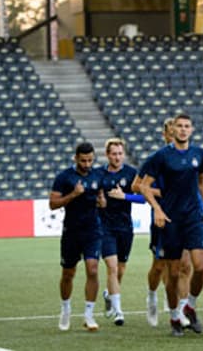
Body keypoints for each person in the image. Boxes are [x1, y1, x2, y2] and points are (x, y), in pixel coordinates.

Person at [138, 113, 203, 337]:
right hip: (170, 220)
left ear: (192, 130)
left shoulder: (199, 154)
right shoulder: (161, 156)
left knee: (199, 267)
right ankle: (174, 318)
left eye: (187, 126)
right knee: (173, 272)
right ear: (173, 130)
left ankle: (189, 306)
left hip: (193, 218)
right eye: (179, 126)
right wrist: (158, 209)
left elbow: (201, 181)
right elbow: (143, 185)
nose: (183, 129)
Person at [134, 118, 194, 328]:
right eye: (171, 132)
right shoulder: (156, 159)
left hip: (185, 218)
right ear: (166, 135)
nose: (175, 135)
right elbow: (137, 186)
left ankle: (179, 308)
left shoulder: (187, 157)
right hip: (162, 220)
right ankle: (151, 297)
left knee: (184, 265)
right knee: (160, 267)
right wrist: (164, 193)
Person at [50, 142, 106, 332]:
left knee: (93, 269)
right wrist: (73, 194)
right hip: (71, 232)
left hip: (93, 230)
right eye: (83, 160)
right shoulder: (64, 177)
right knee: (68, 274)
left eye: (90, 160)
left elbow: (100, 195)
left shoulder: (98, 175)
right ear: (75, 158)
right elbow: (53, 203)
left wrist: (102, 200)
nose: (87, 164)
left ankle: (89, 315)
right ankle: (65, 309)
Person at [98, 138, 142, 326]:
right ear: (108, 155)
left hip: (125, 228)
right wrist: (99, 200)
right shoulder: (99, 174)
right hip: (104, 227)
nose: (117, 157)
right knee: (112, 267)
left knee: (121, 269)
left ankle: (109, 294)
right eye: (113, 154)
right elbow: (91, 195)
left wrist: (125, 196)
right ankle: (119, 312)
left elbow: (143, 198)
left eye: (120, 153)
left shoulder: (132, 174)